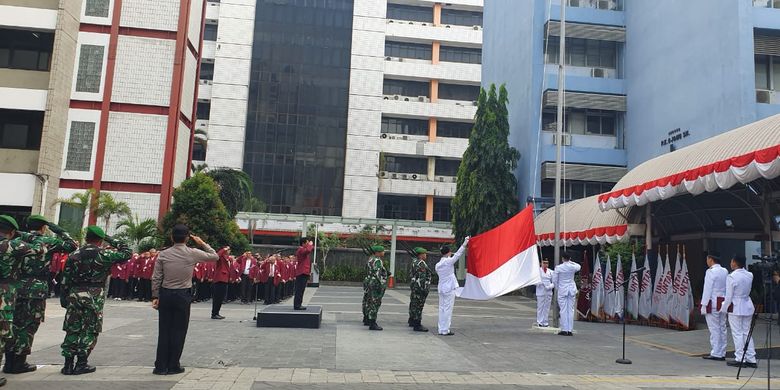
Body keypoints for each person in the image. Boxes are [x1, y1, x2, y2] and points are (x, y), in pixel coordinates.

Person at [6, 215, 76, 374]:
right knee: (29, 325)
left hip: (16, 287)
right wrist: (58, 230)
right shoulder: (47, 241)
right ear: (43, 227)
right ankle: (19, 362)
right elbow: (72, 245)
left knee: (14, 324)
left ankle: (9, 361)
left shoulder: (19, 240)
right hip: (36, 289)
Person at [59, 226, 132, 375]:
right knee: (90, 329)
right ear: (100, 240)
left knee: (72, 328)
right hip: (94, 294)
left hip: (75, 294)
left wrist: (64, 298)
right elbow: (127, 252)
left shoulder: (73, 255)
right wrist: (109, 238)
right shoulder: (104, 254)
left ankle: (67, 364)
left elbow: (65, 279)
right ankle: (81, 363)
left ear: (86, 238)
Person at [151, 225, 218, 375]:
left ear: (171, 237)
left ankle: (160, 366)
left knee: (164, 331)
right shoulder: (192, 253)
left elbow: (156, 277)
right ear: (187, 238)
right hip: (182, 295)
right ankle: (173, 365)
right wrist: (201, 243)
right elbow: (215, 256)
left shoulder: (163, 254)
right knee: (179, 331)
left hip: (166, 294)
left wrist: (155, 296)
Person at [0, 216, 30, 387]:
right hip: (4, 294)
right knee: (1, 333)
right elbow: (39, 249)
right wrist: (25, 235)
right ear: (11, 232)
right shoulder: (13, 245)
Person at [721, 255, 757, 368]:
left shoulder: (731, 276)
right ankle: (751, 359)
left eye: (732, 261)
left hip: (736, 306)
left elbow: (728, 296)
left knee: (737, 333)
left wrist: (723, 308)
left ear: (735, 263)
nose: (730, 263)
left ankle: (740, 358)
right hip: (747, 304)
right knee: (747, 333)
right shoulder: (749, 275)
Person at [435, 238, 468, 336]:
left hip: (441, 288)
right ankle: (445, 330)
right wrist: (465, 243)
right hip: (449, 289)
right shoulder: (448, 262)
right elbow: (458, 254)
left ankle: (441, 329)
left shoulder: (438, 265)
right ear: (449, 252)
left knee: (441, 309)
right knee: (448, 309)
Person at [700, 253, 728, 361]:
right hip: (722, 301)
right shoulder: (724, 271)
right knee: (722, 327)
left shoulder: (710, 271)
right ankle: (722, 352)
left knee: (714, 329)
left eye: (707, 259)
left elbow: (707, 290)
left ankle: (716, 352)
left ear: (711, 259)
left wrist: (704, 304)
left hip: (712, 302)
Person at [552, 252, 581, 336]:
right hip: (571, 289)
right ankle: (570, 329)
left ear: (562, 258)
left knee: (563, 310)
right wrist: (571, 262)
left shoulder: (559, 268)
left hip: (562, 289)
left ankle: (564, 329)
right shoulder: (573, 267)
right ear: (569, 258)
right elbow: (579, 266)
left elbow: (554, 280)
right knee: (571, 310)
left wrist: (558, 287)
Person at [362, 246, 387, 331]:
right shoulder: (378, 261)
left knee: (368, 301)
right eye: (382, 251)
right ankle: (372, 323)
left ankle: (367, 318)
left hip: (369, 282)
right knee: (375, 303)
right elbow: (377, 274)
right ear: (378, 252)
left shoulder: (370, 259)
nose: (384, 252)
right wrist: (382, 285)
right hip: (375, 284)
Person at [408, 247, 432, 332]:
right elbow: (422, 278)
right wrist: (424, 289)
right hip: (419, 287)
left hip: (414, 286)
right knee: (419, 305)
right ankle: (417, 324)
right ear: (421, 255)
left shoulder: (414, 262)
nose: (426, 255)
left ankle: (412, 320)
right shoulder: (421, 263)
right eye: (425, 254)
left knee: (414, 304)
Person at [294, 238, 313, 310]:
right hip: (301, 272)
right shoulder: (301, 249)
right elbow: (308, 250)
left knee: (301, 290)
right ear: (303, 243)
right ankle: (297, 305)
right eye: (307, 243)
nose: (308, 244)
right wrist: (310, 245)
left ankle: (299, 304)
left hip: (304, 272)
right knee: (299, 290)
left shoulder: (302, 250)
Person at [211, 247, 230, 319]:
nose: (229, 251)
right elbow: (217, 255)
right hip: (219, 280)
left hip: (224, 280)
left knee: (220, 298)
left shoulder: (226, 258)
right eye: (228, 250)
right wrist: (224, 249)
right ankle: (214, 313)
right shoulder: (220, 257)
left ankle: (216, 313)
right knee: (217, 298)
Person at [536, 258, 554, 327]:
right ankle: (539, 321)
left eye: (547, 263)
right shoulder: (538, 271)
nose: (545, 264)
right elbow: (534, 281)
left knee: (547, 307)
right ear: (541, 263)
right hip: (540, 291)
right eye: (544, 263)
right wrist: (540, 283)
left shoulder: (551, 272)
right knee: (540, 307)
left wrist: (550, 286)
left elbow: (554, 282)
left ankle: (545, 322)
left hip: (548, 291)